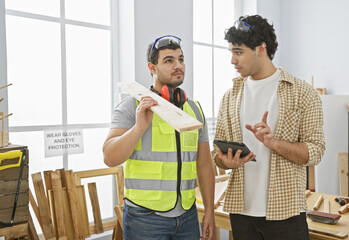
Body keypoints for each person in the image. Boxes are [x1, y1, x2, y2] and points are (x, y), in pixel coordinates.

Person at [213, 15, 325, 240]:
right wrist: (226, 161)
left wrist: (274, 143)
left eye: (239, 52)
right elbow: (217, 156)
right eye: (231, 53)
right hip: (241, 211)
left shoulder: (301, 92)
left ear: (261, 48)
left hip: (286, 213)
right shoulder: (229, 97)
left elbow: (316, 152)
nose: (233, 60)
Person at [103, 35, 215, 240]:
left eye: (181, 59)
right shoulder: (132, 106)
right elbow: (110, 157)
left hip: (187, 215)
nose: (178, 65)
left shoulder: (194, 110)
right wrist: (138, 127)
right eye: (169, 60)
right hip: (145, 217)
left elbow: (205, 164)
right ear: (152, 67)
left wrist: (209, 210)